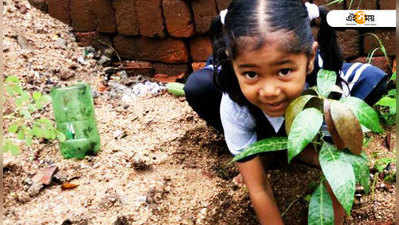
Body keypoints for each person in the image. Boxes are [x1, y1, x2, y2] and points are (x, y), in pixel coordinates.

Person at [183, 0, 388, 224]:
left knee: (372, 81)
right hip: (250, 101)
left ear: (310, 59)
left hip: (313, 91)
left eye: (284, 71)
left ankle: (299, 148)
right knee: (202, 86)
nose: (270, 91)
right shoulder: (235, 102)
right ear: (234, 65)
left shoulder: (329, 98)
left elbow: (337, 179)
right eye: (251, 74)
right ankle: (267, 149)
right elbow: (258, 189)